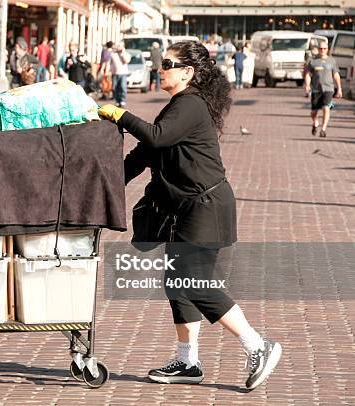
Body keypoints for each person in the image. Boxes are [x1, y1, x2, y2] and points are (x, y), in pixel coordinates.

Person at [98, 40, 282, 391]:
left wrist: (121, 114)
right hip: (186, 210)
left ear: (188, 72)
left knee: (192, 282)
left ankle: (258, 345)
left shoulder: (191, 105)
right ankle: (187, 360)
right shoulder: (177, 106)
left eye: (166, 63)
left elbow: (157, 135)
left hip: (206, 208)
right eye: (159, 62)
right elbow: (143, 154)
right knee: (177, 284)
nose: (158, 68)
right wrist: (103, 185)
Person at [305, 41, 342, 138]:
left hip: (329, 89)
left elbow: (336, 75)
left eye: (324, 48)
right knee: (314, 112)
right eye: (321, 48)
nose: (322, 50)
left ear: (327, 50)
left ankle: (323, 129)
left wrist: (339, 88)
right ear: (318, 49)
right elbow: (308, 74)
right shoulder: (313, 61)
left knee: (326, 108)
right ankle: (315, 123)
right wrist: (307, 85)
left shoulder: (332, 61)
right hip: (316, 89)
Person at [109, 41, 131, 107]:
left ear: (123, 47)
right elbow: (109, 63)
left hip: (123, 73)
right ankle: (117, 101)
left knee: (122, 87)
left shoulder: (126, 54)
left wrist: (122, 53)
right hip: (114, 73)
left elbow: (126, 61)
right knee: (114, 88)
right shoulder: (112, 54)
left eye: (120, 46)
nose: (118, 47)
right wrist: (108, 70)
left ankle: (122, 101)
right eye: (117, 46)